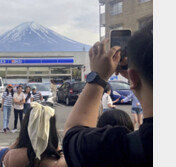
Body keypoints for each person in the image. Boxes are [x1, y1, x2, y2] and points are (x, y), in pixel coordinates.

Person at [63, 20, 153, 167]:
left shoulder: (118, 148)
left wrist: (98, 77)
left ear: (133, 78)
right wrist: (136, 76)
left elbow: (72, 136)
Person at [0, 102, 67, 167]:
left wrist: (20, 139)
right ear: (52, 129)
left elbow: (2, 152)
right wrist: (57, 148)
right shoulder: (57, 162)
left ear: (26, 124)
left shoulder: (11, 156)